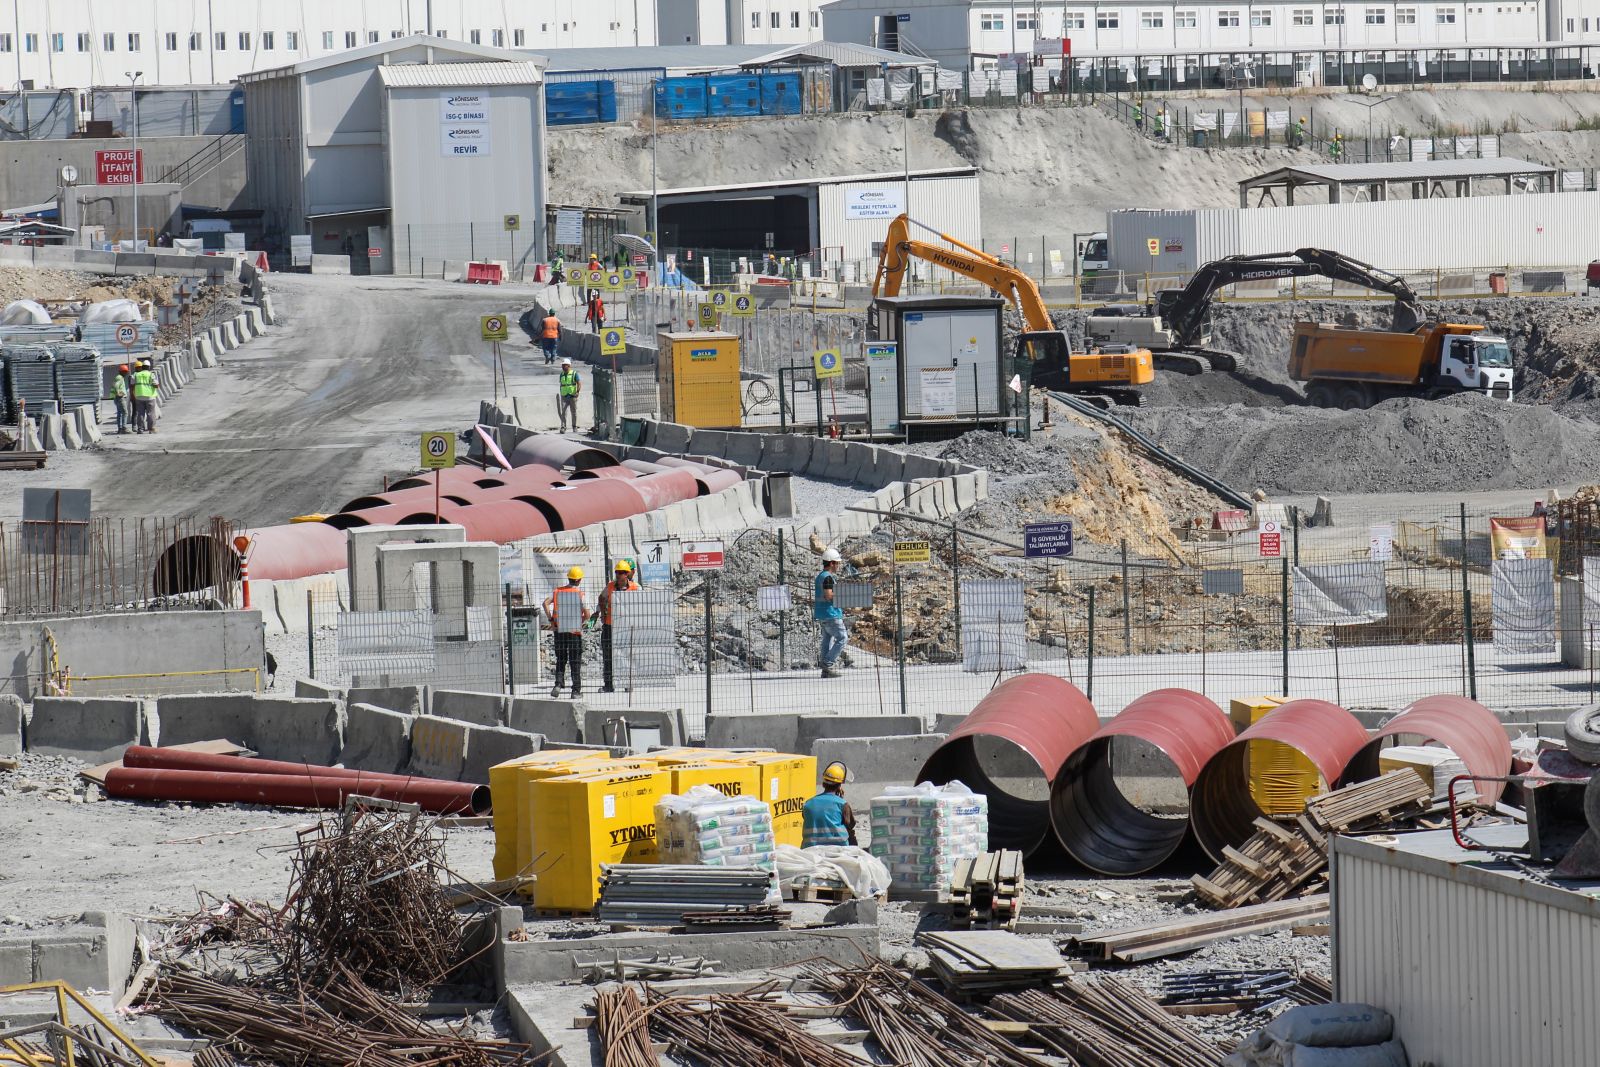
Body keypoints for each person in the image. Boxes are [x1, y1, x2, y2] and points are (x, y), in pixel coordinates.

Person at [544, 567, 589, 698]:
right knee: (575, 661)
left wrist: (551, 621)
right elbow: (587, 614)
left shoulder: (558, 592)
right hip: (574, 632)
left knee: (561, 658)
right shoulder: (580, 594)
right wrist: (579, 621)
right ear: (579, 580)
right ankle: (575, 691)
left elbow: (545, 603)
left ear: (568, 578)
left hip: (560, 631)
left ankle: (558, 684)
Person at [597, 559, 640, 693]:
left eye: (621, 573)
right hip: (610, 626)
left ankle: (628, 683)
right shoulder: (610, 586)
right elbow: (601, 598)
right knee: (608, 656)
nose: (619, 575)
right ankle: (608, 684)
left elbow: (642, 606)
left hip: (627, 628)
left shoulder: (636, 588)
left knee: (627, 655)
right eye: (617, 573)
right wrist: (603, 615)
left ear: (627, 574)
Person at [802, 761, 857, 847]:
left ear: (823, 783)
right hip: (838, 849)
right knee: (851, 834)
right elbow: (850, 824)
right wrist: (840, 799)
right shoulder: (842, 804)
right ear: (839, 786)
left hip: (810, 848)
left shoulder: (808, 804)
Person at [814, 546, 847, 679]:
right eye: (837, 563)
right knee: (842, 638)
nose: (838, 566)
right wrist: (842, 595)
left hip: (822, 613)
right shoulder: (827, 578)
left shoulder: (820, 576)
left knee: (827, 640)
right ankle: (827, 663)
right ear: (832, 563)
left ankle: (825, 671)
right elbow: (828, 595)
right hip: (831, 613)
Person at [131, 359, 159, 433]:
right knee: (150, 413)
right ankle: (151, 429)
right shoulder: (151, 374)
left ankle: (140, 429)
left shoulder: (136, 375)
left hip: (139, 396)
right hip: (150, 396)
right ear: (149, 367)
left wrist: (132, 395)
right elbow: (156, 385)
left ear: (142, 367)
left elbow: (132, 385)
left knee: (140, 413)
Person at [556, 357, 582, 433]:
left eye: (565, 365)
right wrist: (561, 392)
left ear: (569, 365)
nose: (563, 367)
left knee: (573, 412)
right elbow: (561, 384)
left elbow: (579, 383)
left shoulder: (574, 373)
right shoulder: (561, 374)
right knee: (563, 412)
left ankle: (574, 426)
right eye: (562, 365)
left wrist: (577, 392)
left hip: (572, 396)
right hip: (564, 396)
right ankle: (563, 427)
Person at [112, 364, 131, 434]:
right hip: (120, 398)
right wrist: (118, 393)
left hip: (117, 398)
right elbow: (116, 385)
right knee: (125, 412)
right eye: (125, 372)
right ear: (122, 371)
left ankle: (120, 429)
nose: (126, 373)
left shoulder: (118, 377)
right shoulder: (120, 377)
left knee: (120, 413)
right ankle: (124, 428)